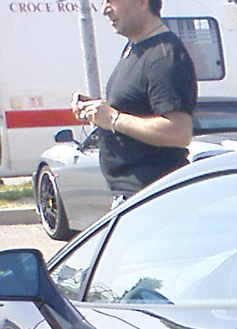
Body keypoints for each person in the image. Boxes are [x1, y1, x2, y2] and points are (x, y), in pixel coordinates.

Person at [71, 0, 198, 205]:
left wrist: (113, 118)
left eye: (111, 1)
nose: (104, 9)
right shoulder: (135, 48)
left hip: (154, 197)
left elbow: (179, 132)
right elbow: (132, 108)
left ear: (142, 2)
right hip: (133, 195)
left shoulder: (164, 56)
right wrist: (97, 109)